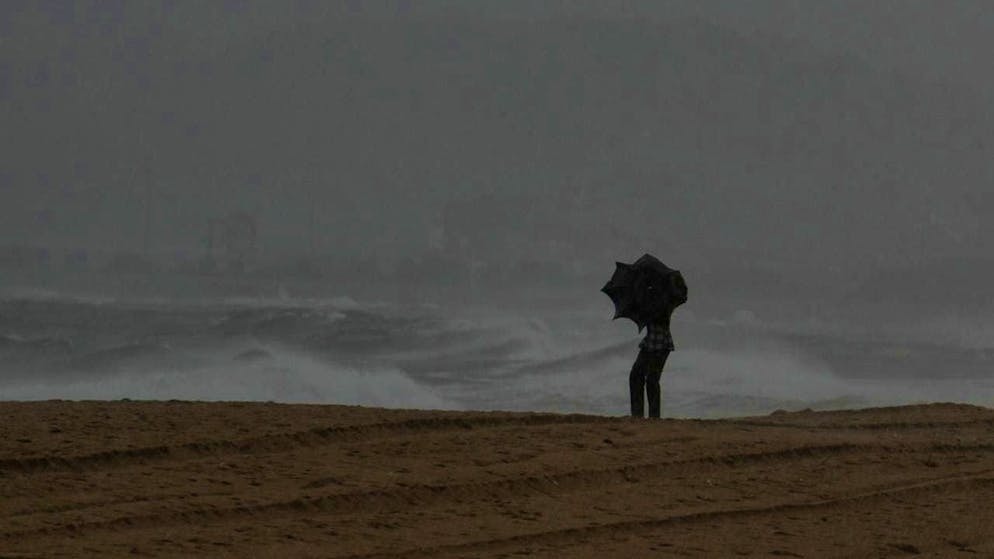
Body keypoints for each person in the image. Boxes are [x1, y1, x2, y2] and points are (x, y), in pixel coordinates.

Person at [629, 314, 673, 418]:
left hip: (661, 344)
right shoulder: (649, 303)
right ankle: (637, 414)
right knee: (636, 376)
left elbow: (661, 320)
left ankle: (653, 417)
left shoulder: (663, 304)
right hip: (650, 343)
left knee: (652, 380)